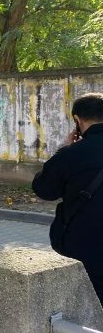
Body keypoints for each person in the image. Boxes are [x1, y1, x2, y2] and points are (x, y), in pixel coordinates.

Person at [33, 93, 103, 305]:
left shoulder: (71, 154)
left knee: (87, 309)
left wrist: (65, 149)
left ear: (77, 120)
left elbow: (44, 189)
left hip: (85, 248)